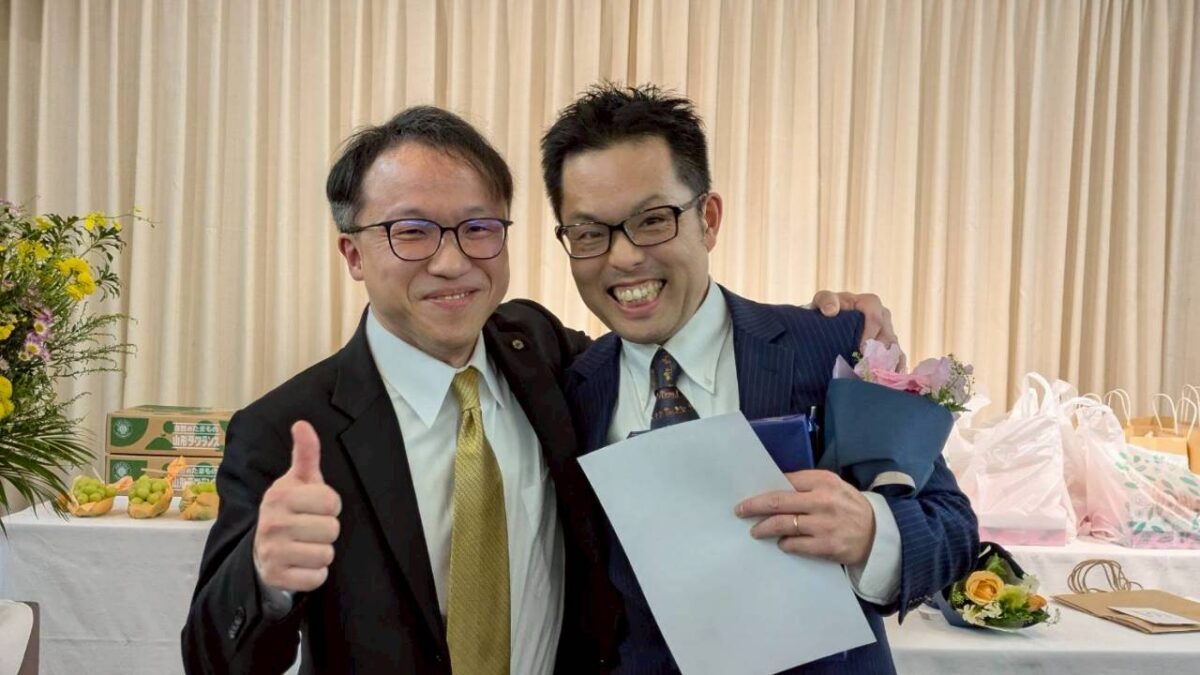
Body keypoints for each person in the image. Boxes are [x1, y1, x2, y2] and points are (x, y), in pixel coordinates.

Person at [182, 104, 898, 674]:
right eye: (412, 232)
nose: (452, 262)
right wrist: (264, 577)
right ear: (353, 253)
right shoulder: (285, 430)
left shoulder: (545, 357)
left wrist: (844, 325)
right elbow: (212, 657)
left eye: (478, 228)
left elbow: (670, 340)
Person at [541, 83, 978, 673]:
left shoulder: (827, 346)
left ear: (708, 220)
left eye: (652, 220)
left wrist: (873, 532)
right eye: (590, 233)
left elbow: (953, 532)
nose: (623, 257)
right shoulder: (571, 391)